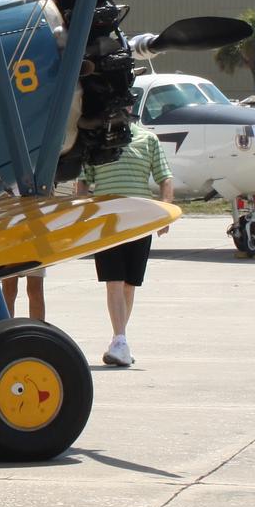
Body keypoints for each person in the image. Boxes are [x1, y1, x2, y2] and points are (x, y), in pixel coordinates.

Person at [76, 115, 174, 368]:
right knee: (114, 282)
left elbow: (165, 177)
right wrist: (84, 214)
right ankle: (120, 340)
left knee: (129, 284)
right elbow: (84, 181)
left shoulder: (148, 139)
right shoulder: (96, 141)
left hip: (140, 219)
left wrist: (165, 212)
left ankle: (120, 340)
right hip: (107, 219)